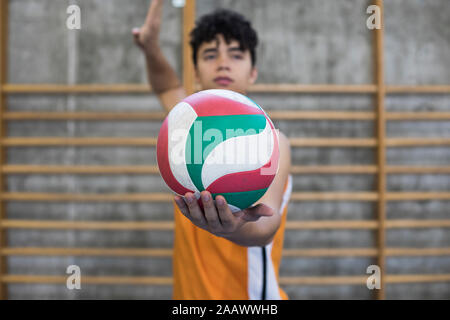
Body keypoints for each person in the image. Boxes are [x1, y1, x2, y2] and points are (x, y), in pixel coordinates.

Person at [133, 0, 292, 300]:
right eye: (210, 54)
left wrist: (231, 228)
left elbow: (267, 226)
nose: (222, 62)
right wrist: (151, 47)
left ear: (253, 72)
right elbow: (166, 86)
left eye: (236, 54)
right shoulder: (187, 126)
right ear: (195, 70)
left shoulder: (272, 142)